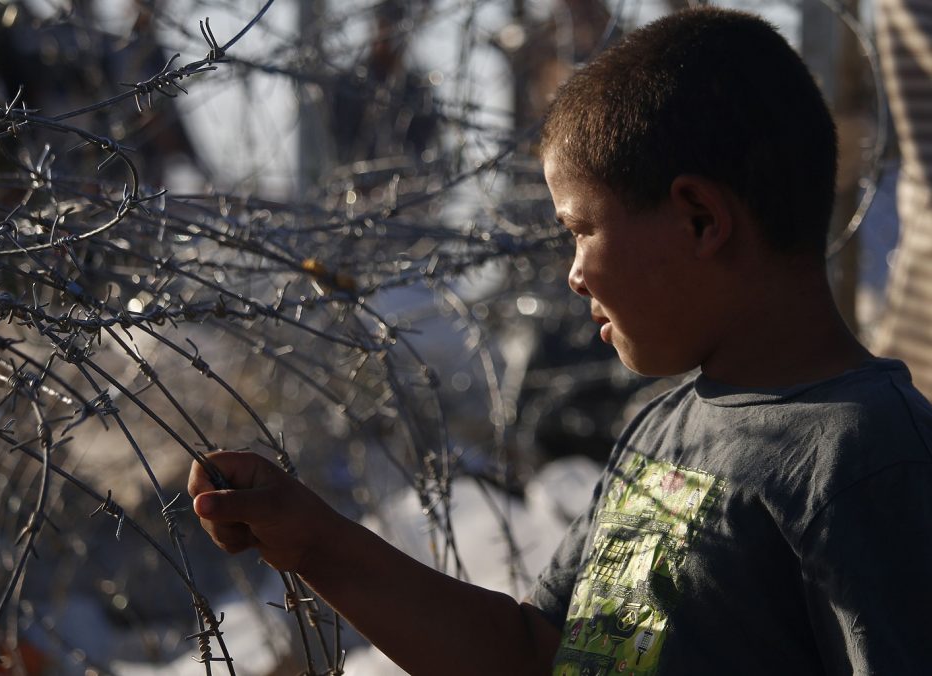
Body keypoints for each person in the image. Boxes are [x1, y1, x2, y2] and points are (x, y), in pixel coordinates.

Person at [188, 7, 932, 675]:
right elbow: (534, 653)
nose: (574, 275)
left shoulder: (864, 462)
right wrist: (313, 541)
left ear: (700, 219)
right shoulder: (665, 430)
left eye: (581, 230)